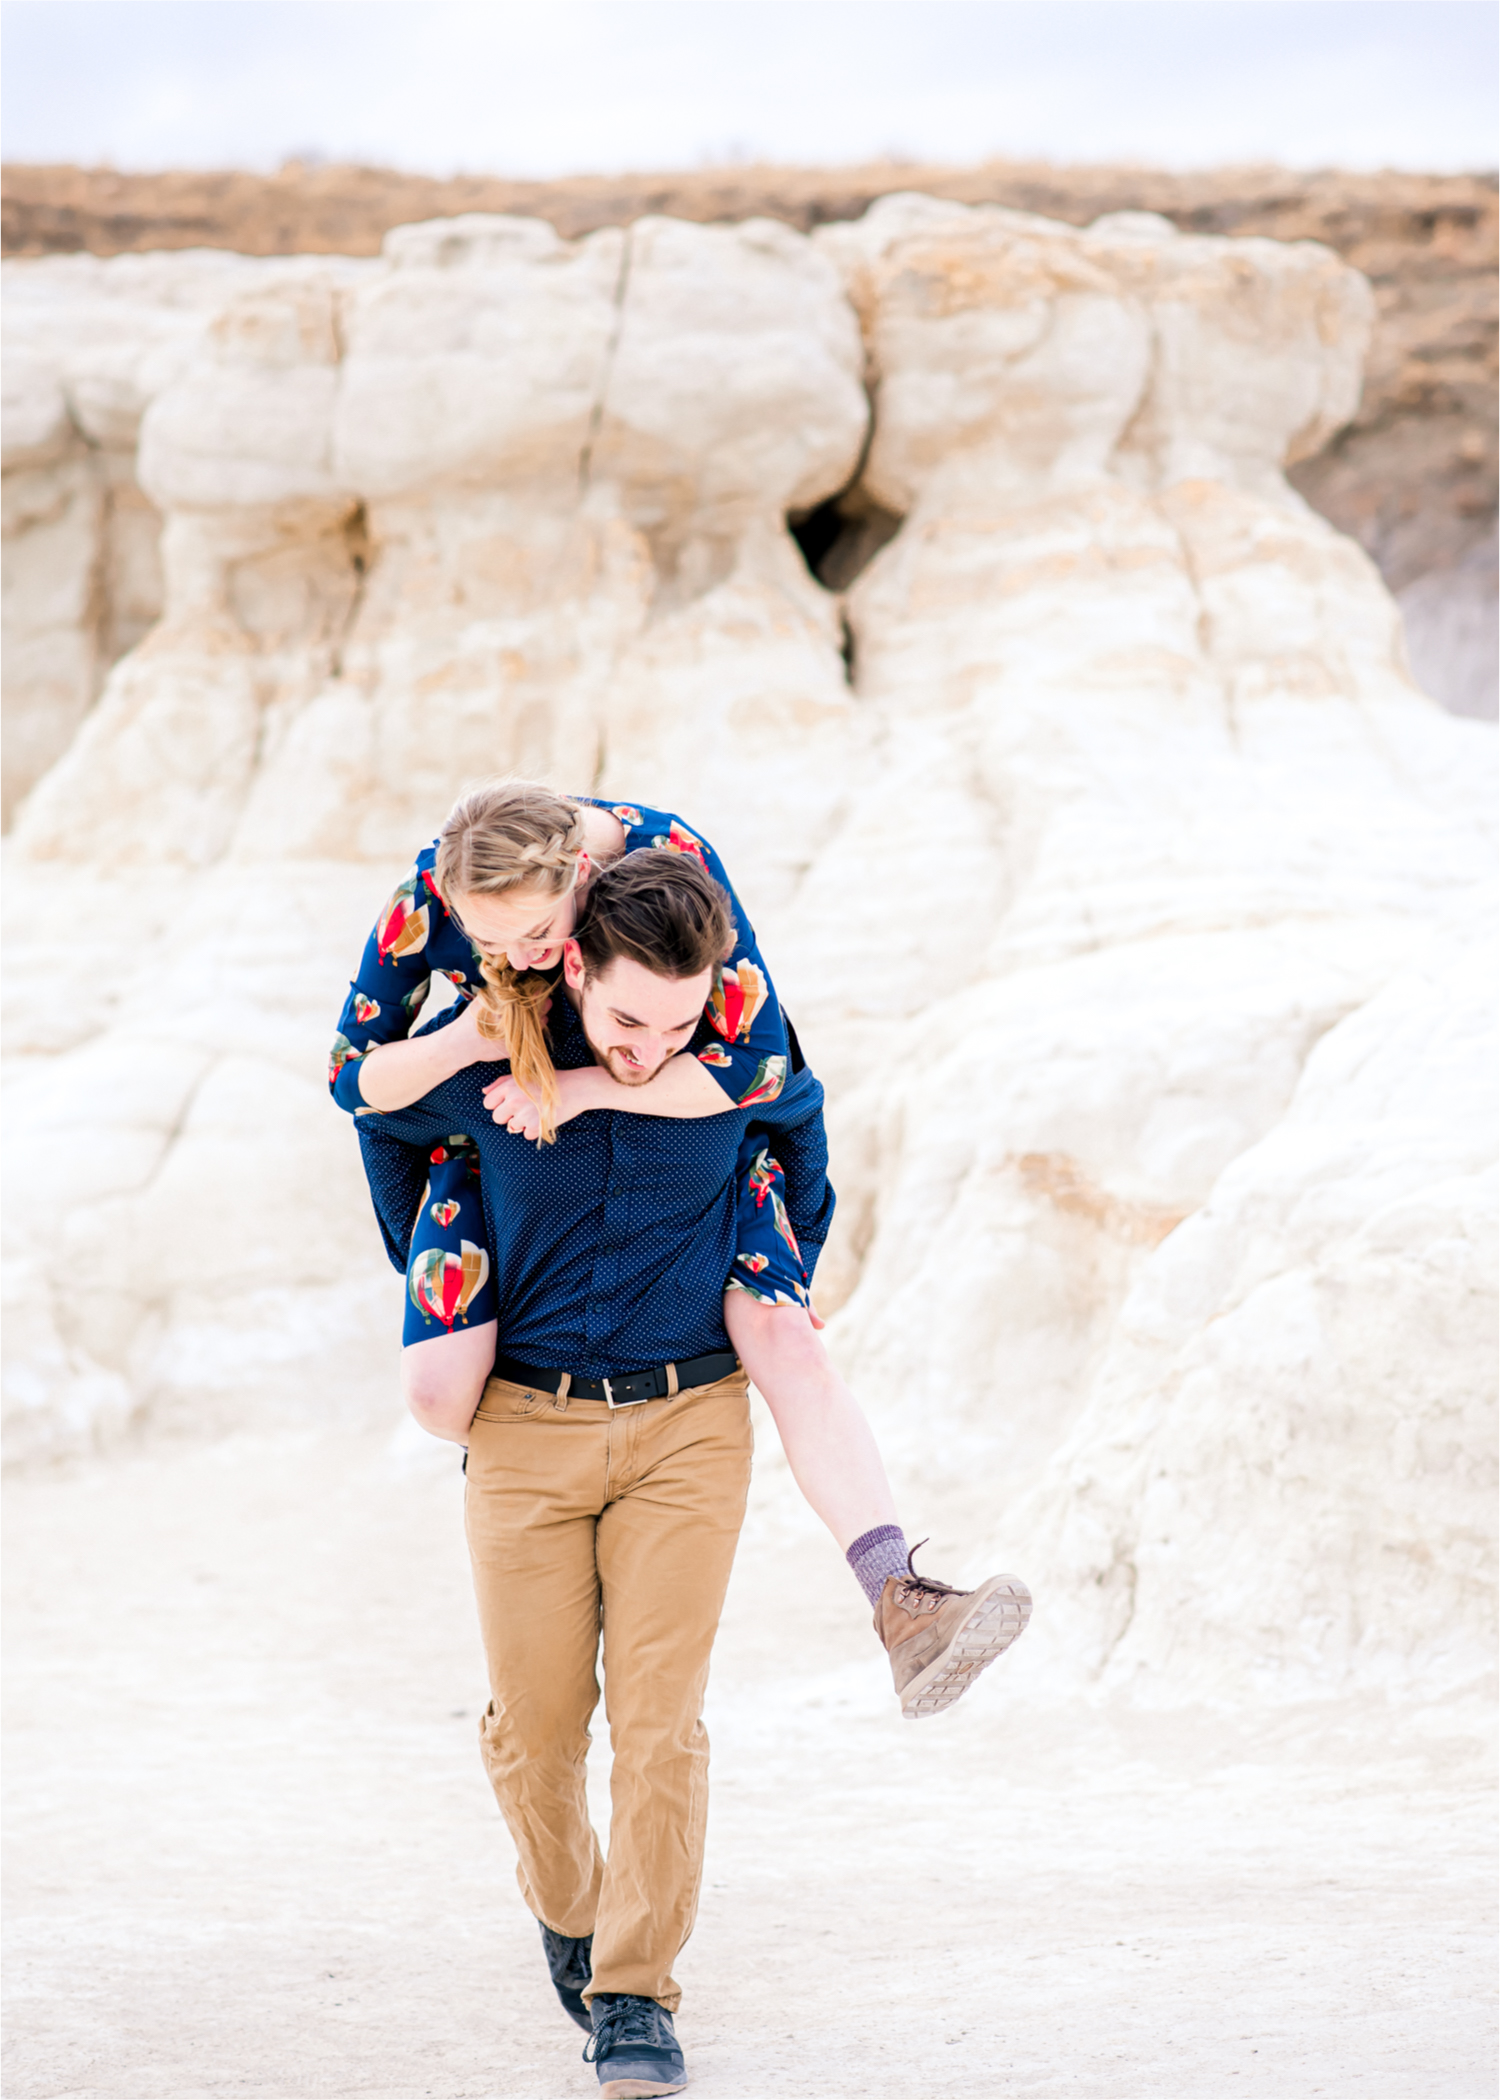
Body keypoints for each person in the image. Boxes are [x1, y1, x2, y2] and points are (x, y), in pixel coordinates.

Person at [344, 850, 1030, 2094]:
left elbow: (799, 1124)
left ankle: (636, 1993)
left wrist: (780, 1259)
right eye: (625, 1022)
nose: (649, 1048)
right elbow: (376, 1115)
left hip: (688, 1429)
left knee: (662, 1725)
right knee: (536, 1733)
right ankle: (570, 1913)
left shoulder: (728, 1074)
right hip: (527, 1431)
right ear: (574, 971)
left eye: (677, 1023)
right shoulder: (499, 1074)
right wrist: (441, 1257)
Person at [331, 780, 1028, 1694]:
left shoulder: (672, 861)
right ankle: (538, 1481)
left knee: (782, 1337)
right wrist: (464, 1042)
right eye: (487, 942)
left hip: (683, 1112)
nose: (516, 959)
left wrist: (586, 1089)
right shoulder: (432, 889)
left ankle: (900, 1595)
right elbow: (352, 1076)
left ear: (582, 877)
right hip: (498, 1096)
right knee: (434, 1391)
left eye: (536, 934)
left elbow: (762, 1066)